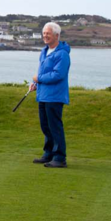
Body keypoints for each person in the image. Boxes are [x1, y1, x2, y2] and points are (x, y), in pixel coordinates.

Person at [29, 22, 71, 168]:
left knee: (55, 126)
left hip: (55, 96)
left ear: (57, 35)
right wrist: (35, 84)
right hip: (43, 94)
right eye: (44, 33)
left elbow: (58, 75)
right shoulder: (44, 51)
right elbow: (42, 72)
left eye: (48, 33)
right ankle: (49, 153)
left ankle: (59, 157)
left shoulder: (62, 54)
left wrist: (38, 79)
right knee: (45, 126)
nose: (45, 36)